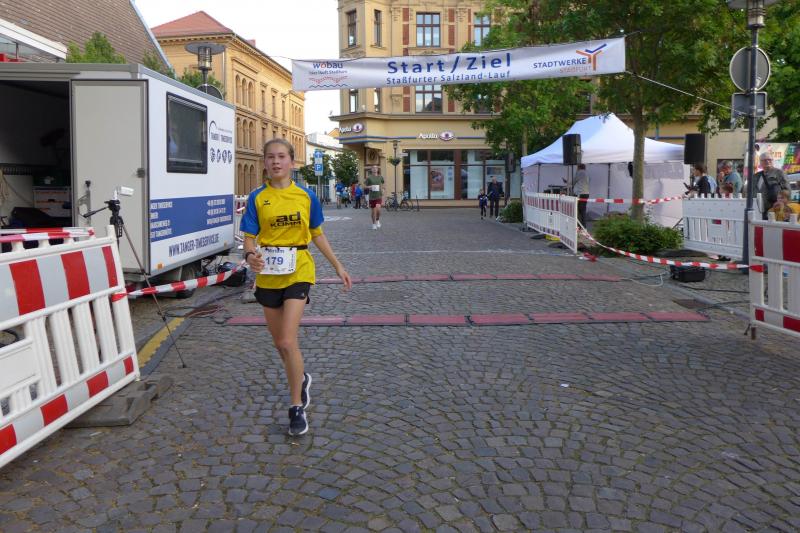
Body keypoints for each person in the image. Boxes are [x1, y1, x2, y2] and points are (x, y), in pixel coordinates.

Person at [240, 138, 352, 436]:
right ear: (264, 162)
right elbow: (249, 238)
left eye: (281, 156)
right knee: (280, 343)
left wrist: (338, 266)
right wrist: (250, 255)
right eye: (270, 157)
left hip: (299, 269)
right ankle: (300, 377)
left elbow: (317, 234)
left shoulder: (306, 196)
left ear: (292, 161)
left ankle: (296, 406)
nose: (276, 162)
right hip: (268, 274)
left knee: (288, 341)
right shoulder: (257, 198)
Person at [755, 152, 790, 218]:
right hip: (759, 209)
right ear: (760, 162)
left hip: (775, 209)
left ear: (773, 161)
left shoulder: (779, 173)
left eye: (769, 159)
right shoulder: (757, 175)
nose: (767, 161)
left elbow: (787, 190)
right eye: (764, 160)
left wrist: (782, 203)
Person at [365, 165, 384, 229]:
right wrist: (369, 187)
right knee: (373, 211)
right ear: (371, 170)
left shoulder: (380, 177)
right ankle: (373, 224)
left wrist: (383, 190)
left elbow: (383, 184)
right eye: (373, 168)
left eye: (376, 168)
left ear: (377, 169)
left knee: (378, 210)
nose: (375, 169)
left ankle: (377, 220)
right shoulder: (369, 178)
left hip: (379, 196)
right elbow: (364, 186)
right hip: (372, 197)